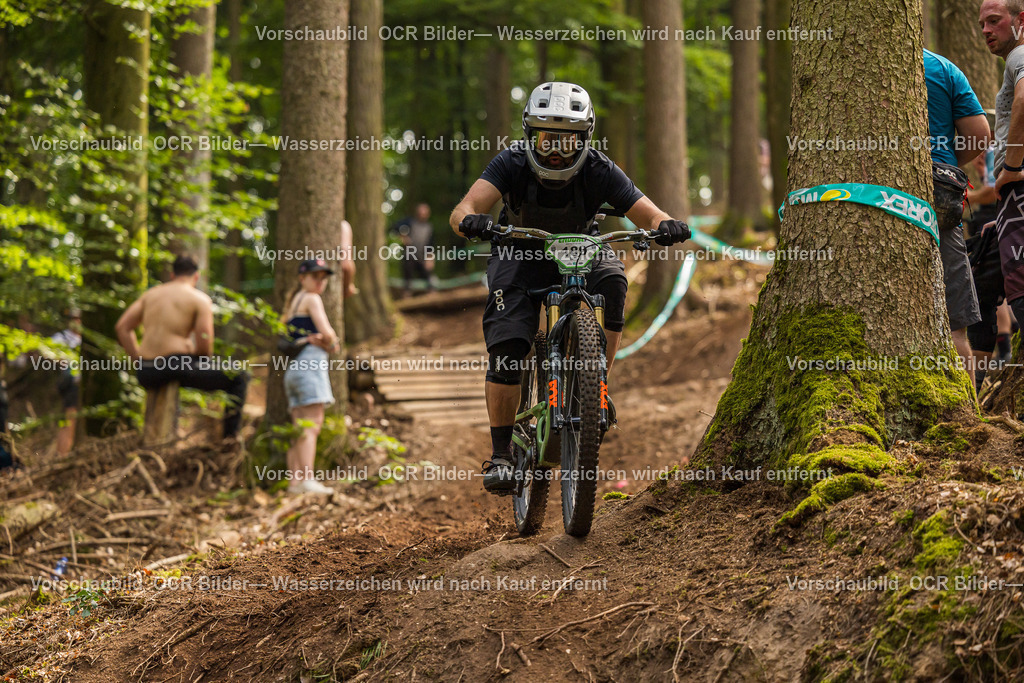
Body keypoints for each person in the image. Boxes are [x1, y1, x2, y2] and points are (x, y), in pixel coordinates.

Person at [449, 81, 690, 494]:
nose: (556, 149)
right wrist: (472, 221)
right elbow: (463, 210)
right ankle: (503, 453)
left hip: (583, 247)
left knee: (614, 280)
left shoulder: (598, 167)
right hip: (520, 253)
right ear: (530, 136)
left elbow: (648, 212)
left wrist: (664, 226)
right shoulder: (510, 162)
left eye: (567, 139)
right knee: (508, 347)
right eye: (546, 139)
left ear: (585, 138)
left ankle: (596, 388)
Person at [115, 254, 249, 442]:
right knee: (239, 376)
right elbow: (205, 347)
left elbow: (122, 327)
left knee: (179, 371)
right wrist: (189, 351)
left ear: (172, 274)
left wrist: (138, 359)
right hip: (174, 365)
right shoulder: (199, 299)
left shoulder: (150, 295)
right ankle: (230, 439)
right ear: (196, 276)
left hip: (146, 371)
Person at [923, 48, 991, 375]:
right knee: (955, 324)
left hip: (864, 191)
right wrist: (947, 164)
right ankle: (967, 416)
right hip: (939, 193)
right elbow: (979, 134)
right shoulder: (942, 66)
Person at [981, 0, 1024, 332]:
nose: (985, 30)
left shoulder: (1019, 55)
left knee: (1021, 293)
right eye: (982, 24)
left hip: (1017, 189)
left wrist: (1011, 166)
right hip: (1012, 201)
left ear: (1020, 20)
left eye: (994, 21)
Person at [280, 259, 340, 495]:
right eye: (315, 276)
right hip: (310, 368)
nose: (320, 281)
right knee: (311, 425)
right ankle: (307, 479)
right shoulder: (312, 299)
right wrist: (331, 342)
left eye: (323, 277)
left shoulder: (294, 303)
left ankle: (294, 483)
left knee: (298, 426)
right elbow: (329, 336)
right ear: (302, 278)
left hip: (294, 371)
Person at [51, 308, 82, 455]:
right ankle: (63, 454)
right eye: (73, 318)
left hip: (83, 385)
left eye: (78, 318)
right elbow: (48, 353)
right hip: (71, 385)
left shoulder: (85, 338)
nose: (75, 322)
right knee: (69, 420)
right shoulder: (61, 337)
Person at [391, 203, 439, 295]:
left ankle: (432, 292)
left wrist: (430, 257)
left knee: (428, 273)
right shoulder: (409, 222)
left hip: (422, 257)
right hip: (410, 256)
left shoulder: (429, 227)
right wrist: (403, 236)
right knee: (408, 270)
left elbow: (431, 245)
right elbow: (395, 226)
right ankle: (407, 292)